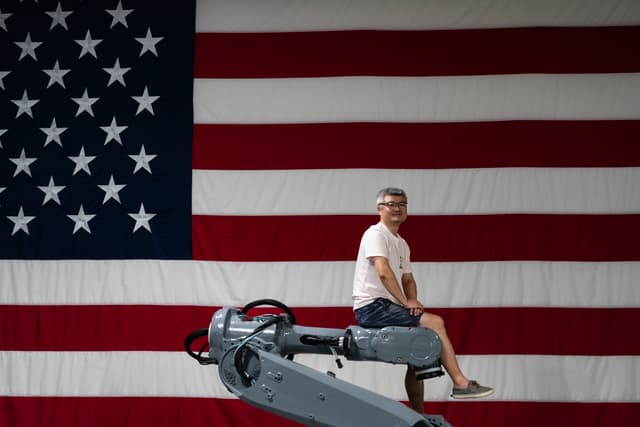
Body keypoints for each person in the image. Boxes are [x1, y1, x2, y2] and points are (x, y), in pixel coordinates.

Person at [352, 187, 493, 413]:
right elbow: (383, 271)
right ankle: (460, 383)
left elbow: (408, 278)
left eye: (402, 204)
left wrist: (413, 299)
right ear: (380, 209)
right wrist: (405, 302)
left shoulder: (401, 243)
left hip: (387, 305)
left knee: (415, 355)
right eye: (391, 204)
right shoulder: (375, 234)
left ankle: (419, 415)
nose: (397, 208)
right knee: (435, 323)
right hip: (371, 307)